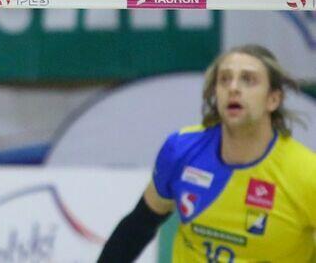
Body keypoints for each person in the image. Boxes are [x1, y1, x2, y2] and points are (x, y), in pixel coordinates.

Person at [98, 44, 316, 262]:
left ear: (273, 99)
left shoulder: (306, 174)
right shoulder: (182, 150)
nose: (233, 88)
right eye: (224, 79)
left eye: (248, 80)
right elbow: (138, 226)